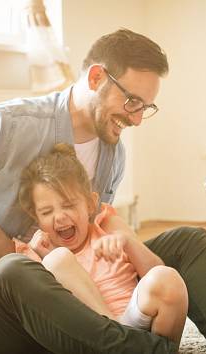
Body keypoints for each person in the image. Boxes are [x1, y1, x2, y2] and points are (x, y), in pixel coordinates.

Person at [0, 28, 206, 354]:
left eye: (145, 107)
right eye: (132, 101)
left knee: (191, 242)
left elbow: (94, 244)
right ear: (96, 78)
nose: (137, 119)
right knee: (17, 270)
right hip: (0, 308)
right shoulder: (8, 124)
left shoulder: (112, 152)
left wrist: (121, 241)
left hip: (76, 307)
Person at [15, 143, 188, 348]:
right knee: (58, 259)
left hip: (133, 328)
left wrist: (127, 243)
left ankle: (160, 351)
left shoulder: (106, 229)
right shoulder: (35, 251)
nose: (59, 217)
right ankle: (114, 332)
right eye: (46, 212)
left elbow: (155, 271)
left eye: (68, 205)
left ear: (90, 203)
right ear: (35, 217)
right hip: (89, 336)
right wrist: (43, 259)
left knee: (167, 278)